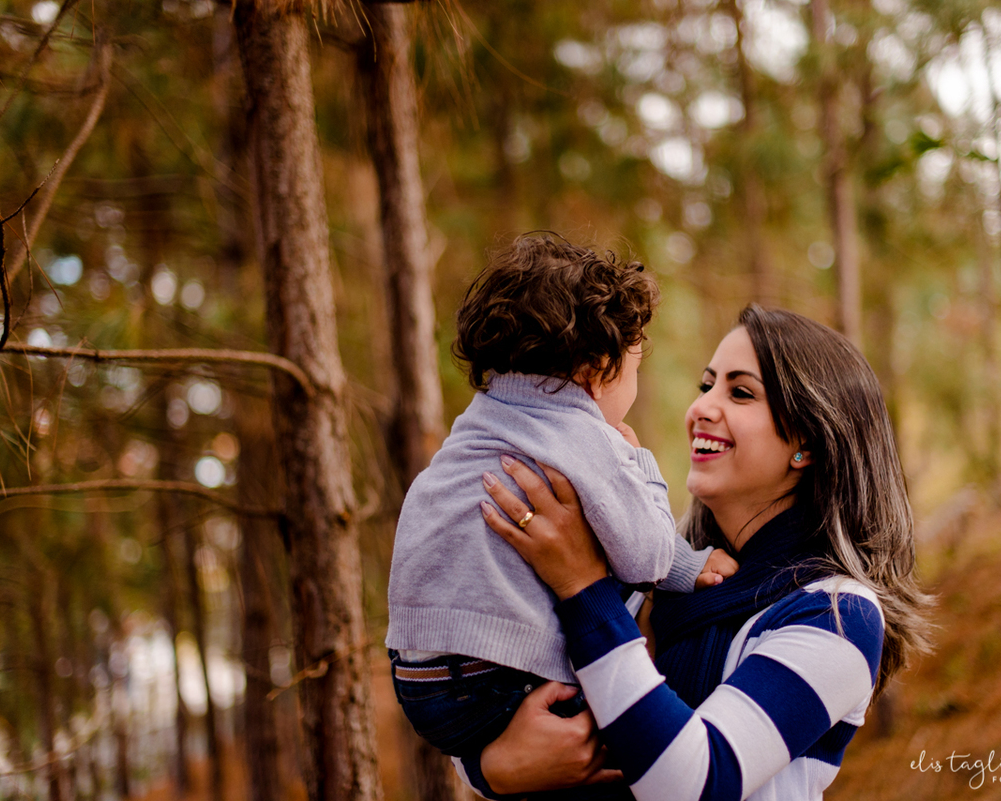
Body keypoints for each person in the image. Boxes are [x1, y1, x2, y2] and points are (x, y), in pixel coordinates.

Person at [473, 304, 932, 800]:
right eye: (706, 386)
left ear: (808, 443)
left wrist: (582, 588)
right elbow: (503, 710)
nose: (702, 409)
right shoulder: (651, 573)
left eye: (740, 392)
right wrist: (494, 768)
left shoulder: (837, 615)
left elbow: (695, 782)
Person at [385, 234, 738, 765]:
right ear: (598, 371)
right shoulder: (579, 429)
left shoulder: (479, 422)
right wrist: (637, 463)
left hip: (419, 680)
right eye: (635, 368)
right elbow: (646, 554)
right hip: (499, 679)